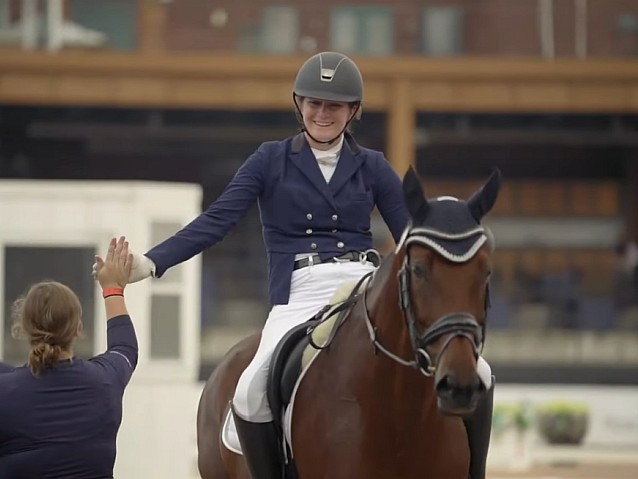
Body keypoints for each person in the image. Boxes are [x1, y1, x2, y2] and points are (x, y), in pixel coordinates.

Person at [105, 51, 494, 479]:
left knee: (481, 372)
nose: (322, 113)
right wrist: (150, 262)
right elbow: (218, 221)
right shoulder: (270, 160)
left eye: (334, 106)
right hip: (301, 291)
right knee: (252, 391)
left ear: (353, 112)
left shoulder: (373, 166)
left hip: (365, 283)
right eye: (313, 103)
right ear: (299, 105)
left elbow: (410, 237)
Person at [0, 236, 138, 479]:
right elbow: (125, 348)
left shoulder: (6, 390)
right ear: (78, 328)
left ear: (23, 328)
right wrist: (112, 289)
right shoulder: (105, 381)